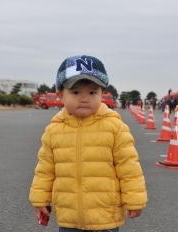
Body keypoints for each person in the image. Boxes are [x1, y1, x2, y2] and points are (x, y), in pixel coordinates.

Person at [29, 55, 147, 232]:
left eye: (92, 92)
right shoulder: (54, 130)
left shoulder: (114, 127)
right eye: (75, 92)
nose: (84, 98)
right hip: (69, 216)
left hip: (105, 215)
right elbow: (45, 169)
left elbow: (129, 167)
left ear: (102, 93)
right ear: (61, 95)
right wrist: (40, 200)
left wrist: (135, 199)